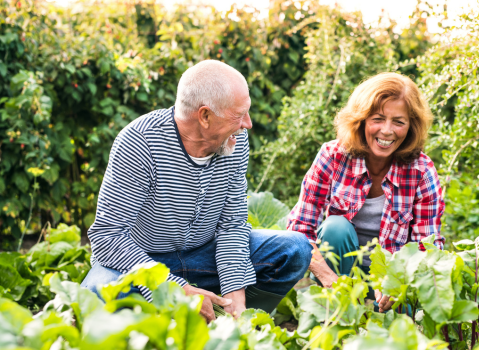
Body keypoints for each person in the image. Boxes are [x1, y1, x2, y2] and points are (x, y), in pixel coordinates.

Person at [81, 60, 312, 322]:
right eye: (239, 114)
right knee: (97, 294)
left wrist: (236, 297)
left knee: (295, 250)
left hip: (205, 257)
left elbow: (232, 226)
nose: (247, 124)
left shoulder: (233, 140)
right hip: (144, 261)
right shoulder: (140, 142)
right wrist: (175, 288)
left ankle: (226, 318)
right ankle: (171, 315)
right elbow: (107, 236)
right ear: (204, 116)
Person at [287, 72, 445, 312]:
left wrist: (397, 282)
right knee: (336, 227)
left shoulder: (421, 171)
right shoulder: (333, 156)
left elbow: (427, 247)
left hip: (390, 284)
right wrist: (330, 279)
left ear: (411, 126)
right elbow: (299, 230)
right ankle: (333, 313)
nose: (387, 131)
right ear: (361, 119)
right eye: (378, 119)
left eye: (399, 122)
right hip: (337, 275)